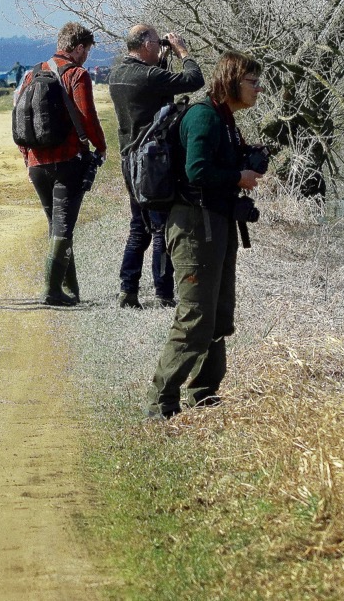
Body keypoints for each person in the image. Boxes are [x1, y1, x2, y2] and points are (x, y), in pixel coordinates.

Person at [147, 51, 264, 418]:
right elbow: (196, 171)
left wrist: (249, 158)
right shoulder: (203, 116)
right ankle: (160, 401)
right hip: (194, 226)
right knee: (196, 316)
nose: (258, 89)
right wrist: (237, 178)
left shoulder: (225, 119)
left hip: (217, 223)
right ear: (232, 81)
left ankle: (204, 395)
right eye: (253, 82)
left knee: (218, 315)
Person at [108, 24, 203, 309]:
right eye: (156, 38)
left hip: (129, 159)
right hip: (154, 162)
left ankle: (128, 290)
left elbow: (152, 91)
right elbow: (194, 79)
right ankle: (163, 294)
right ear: (146, 43)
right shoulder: (148, 76)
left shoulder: (118, 74)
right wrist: (182, 50)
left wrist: (162, 58)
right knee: (160, 228)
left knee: (139, 227)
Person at [19, 22, 107, 306]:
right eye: (88, 51)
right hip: (67, 161)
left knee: (56, 225)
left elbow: (20, 118)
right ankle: (52, 291)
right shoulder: (78, 74)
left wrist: (26, 156)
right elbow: (88, 117)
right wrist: (102, 147)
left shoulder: (32, 73)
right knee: (63, 228)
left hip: (36, 163)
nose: (87, 57)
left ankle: (72, 291)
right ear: (78, 48)